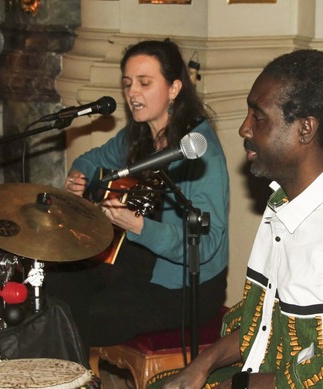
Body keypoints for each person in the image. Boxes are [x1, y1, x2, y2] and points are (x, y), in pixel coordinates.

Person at [156, 49, 323, 388]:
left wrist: (235, 386)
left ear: (304, 129)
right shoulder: (282, 203)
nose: (244, 128)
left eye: (258, 117)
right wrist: (202, 365)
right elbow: (262, 321)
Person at [43, 39, 230, 362]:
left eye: (144, 83)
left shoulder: (201, 153)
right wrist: (79, 177)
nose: (132, 93)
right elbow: (93, 157)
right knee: (53, 284)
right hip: (134, 262)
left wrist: (139, 226)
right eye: (128, 83)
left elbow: (205, 242)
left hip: (183, 287)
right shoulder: (140, 133)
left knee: (86, 316)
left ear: (174, 88)